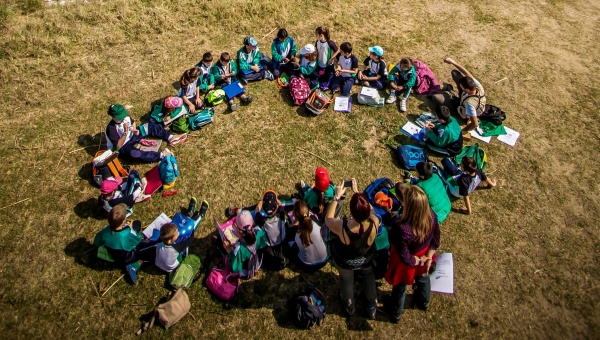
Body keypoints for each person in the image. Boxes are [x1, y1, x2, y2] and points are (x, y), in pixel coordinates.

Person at [383, 185, 440, 322]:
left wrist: (421, 260)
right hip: (424, 253)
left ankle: (395, 313)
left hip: (409, 260)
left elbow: (405, 258)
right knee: (423, 277)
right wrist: (428, 257)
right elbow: (436, 239)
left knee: (400, 287)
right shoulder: (432, 215)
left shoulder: (401, 227)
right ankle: (424, 302)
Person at [326, 181, 379, 319]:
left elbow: (328, 218)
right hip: (366, 259)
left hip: (346, 262)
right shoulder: (374, 222)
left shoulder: (343, 227)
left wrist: (336, 197)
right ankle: (372, 305)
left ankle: (350, 305)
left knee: (346, 279)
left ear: (352, 212)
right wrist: (358, 193)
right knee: (369, 276)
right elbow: (372, 210)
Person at [93, 203, 156, 284]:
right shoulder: (127, 233)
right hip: (128, 257)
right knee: (148, 246)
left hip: (113, 255)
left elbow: (96, 242)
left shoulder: (105, 231)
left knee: (136, 226)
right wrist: (130, 229)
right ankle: (133, 266)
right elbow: (138, 238)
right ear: (123, 221)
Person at [432, 58, 487, 134]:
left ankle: (450, 93)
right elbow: (466, 73)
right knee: (455, 73)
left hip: (462, 110)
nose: (459, 86)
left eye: (461, 86)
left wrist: (464, 130)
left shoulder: (470, 104)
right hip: (465, 98)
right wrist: (453, 62)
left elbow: (475, 123)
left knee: (436, 97)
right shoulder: (477, 86)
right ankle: (449, 92)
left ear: (467, 89)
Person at [155, 198, 209, 273]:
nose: (178, 233)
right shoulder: (178, 247)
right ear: (170, 240)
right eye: (177, 234)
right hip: (171, 268)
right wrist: (191, 229)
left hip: (158, 264)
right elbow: (190, 239)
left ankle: (189, 214)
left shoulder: (159, 241)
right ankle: (200, 215)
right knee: (190, 228)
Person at [104, 104, 173, 163]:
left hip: (132, 135)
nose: (122, 118)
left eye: (123, 116)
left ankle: (170, 137)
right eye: (120, 117)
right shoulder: (111, 128)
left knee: (149, 126)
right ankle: (161, 155)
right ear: (113, 117)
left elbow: (133, 122)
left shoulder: (125, 117)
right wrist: (125, 132)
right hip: (123, 145)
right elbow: (118, 146)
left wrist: (134, 129)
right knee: (134, 154)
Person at [222, 210, 267, 279]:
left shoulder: (239, 249)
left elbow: (236, 268)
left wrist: (229, 250)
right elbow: (264, 244)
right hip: (259, 262)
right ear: (253, 222)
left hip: (247, 272)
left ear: (238, 230)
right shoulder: (259, 233)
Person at [253, 191, 290, 271]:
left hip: (270, 247)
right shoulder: (281, 214)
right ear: (276, 207)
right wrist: (276, 199)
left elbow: (256, 210)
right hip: (283, 243)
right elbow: (280, 205)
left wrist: (261, 201)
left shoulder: (261, 220)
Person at [290, 200, 328, 272]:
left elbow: (290, 246)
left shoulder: (293, 231)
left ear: (294, 214)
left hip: (307, 266)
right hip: (324, 261)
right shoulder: (315, 221)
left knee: (292, 247)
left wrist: (294, 222)